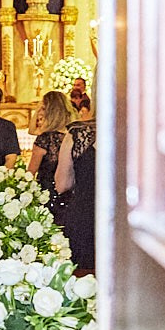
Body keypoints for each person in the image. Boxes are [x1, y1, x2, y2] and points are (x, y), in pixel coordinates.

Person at [53, 91, 98, 273]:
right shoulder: (141, 130)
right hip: (125, 221)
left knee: (83, 285)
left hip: (85, 217)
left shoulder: (77, 133)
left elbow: (62, 184)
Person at [29, 90, 73, 213]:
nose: (39, 112)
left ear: (51, 111)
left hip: (47, 199)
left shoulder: (45, 139)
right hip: (70, 198)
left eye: (43, 108)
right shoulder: (74, 136)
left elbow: (30, 173)